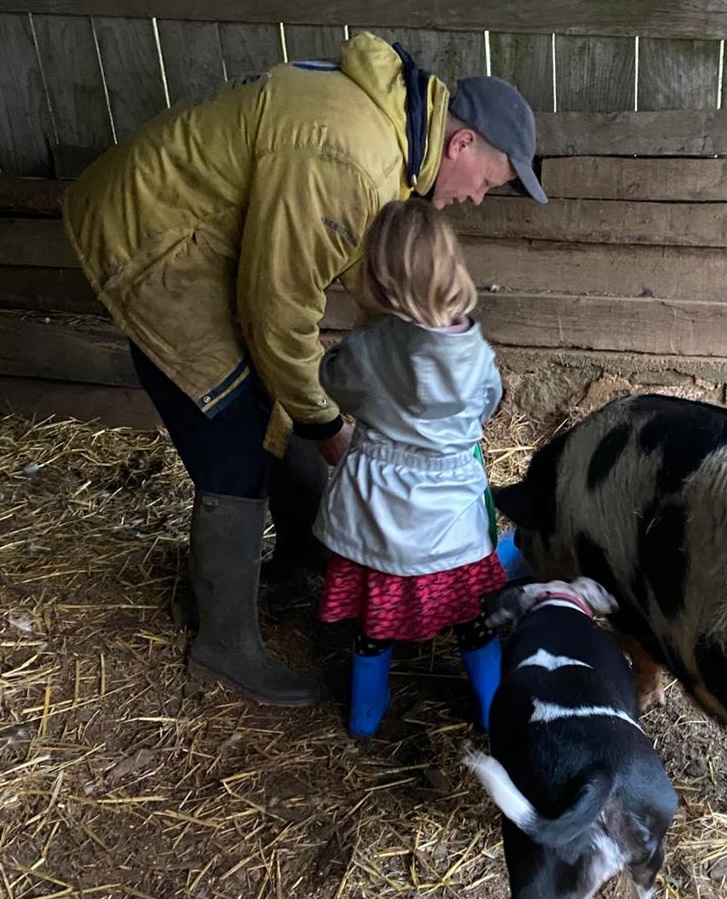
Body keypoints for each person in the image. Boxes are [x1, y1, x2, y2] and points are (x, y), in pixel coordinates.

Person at [61, 32, 547, 707]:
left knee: (279, 393)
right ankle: (223, 645)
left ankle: (300, 557)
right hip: (156, 236)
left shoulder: (392, 140)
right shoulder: (348, 156)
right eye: (487, 183)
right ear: (462, 145)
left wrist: (420, 351)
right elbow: (276, 312)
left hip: (205, 237)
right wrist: (327, 426)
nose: (476, 200)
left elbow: (359, 267)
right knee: (236, 421)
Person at [313, 198, 506, 738]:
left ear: (374, 273)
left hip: (379, 514)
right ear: (452, 268)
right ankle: (495, 713)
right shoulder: (475, 352)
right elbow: (490, 403)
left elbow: (335, 384)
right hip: (452, 522)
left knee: (373, 627)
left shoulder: (367, 347)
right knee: (475, 621)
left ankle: (364, 717)